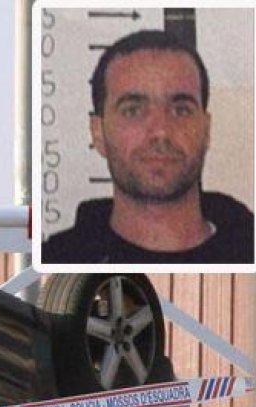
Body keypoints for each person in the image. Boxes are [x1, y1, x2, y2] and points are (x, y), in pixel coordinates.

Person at [43, 30, 254, 264]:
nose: (161, 131)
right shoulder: (51, 266)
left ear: (206, 129)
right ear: (98, 132)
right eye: (133, 111)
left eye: (181, 110)